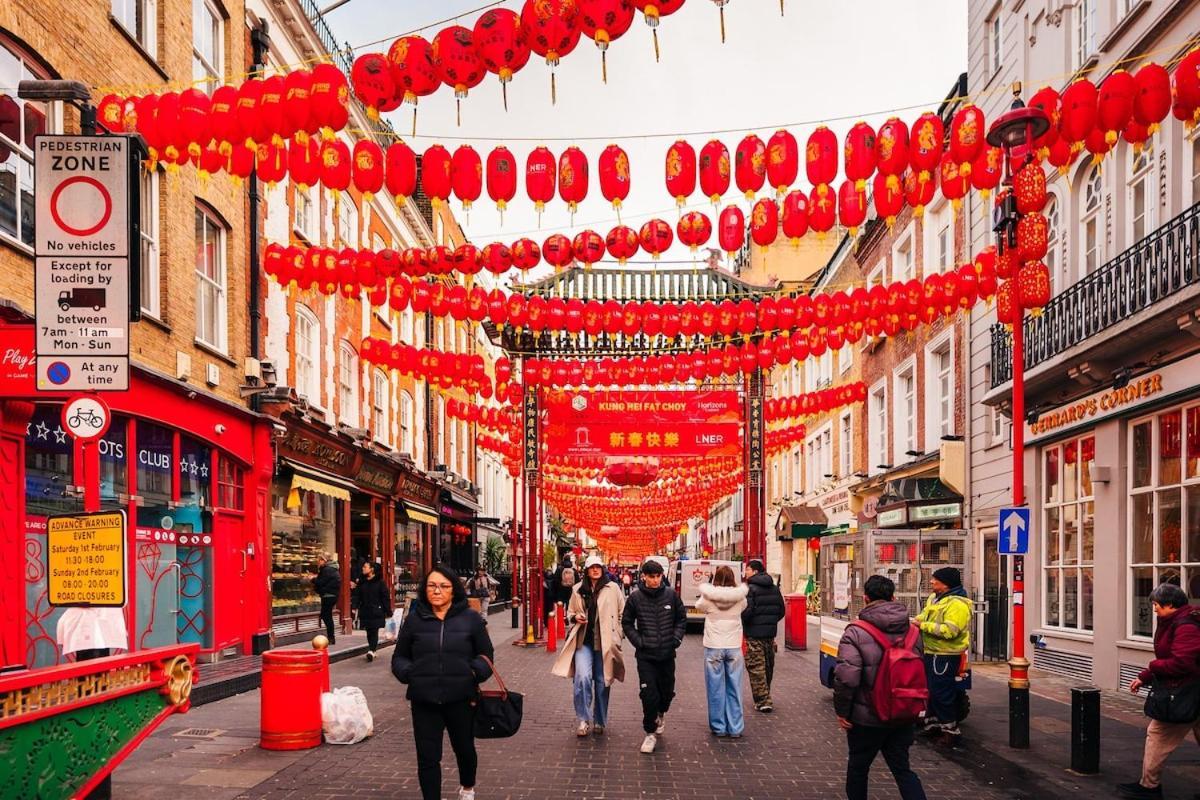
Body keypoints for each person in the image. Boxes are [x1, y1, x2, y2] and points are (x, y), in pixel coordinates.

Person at [392, 565, 494, 800]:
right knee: (428, 756)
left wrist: (472, 673)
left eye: (443, 586)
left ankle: (467, 788)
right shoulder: (415, 619)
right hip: (424, 699)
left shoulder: (470, 618)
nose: (437, 591)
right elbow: (400, 657)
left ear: (454, 590)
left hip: (461, 698)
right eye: (431, 585)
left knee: (465, 749)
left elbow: (486, 656)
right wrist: (409, 673)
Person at [834, 575, 928, 800]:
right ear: (893, 597)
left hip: (867, 716)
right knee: (902, 769)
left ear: (865, 598)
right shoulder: (913, 631)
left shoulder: (855, 631)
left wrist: (842, 712)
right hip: (903, 711)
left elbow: (847, 677)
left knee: (859, 768)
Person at [1117, 583, 1200, 799]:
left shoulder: (1185, 626)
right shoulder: (1173, 621)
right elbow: (1169, 658)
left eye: (1156, 605)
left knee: (1158, 734)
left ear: (1170, 605)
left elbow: (1182, 663)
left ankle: (1149, 787)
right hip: (1191, 691)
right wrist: (1144, 677)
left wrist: (1152, 669)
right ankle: (1149, 785)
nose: (1154, 609)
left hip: (1185, 694)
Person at [552, 554, 626, 737]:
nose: (595, 570)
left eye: (598, 567)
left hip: (605, 643)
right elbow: (569, 613)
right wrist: (574, 617)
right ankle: (583, 719)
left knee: (602, 682)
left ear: (602, 569)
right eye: (592, 567)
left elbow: (622, 613)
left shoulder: (613, 588)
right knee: (582, 678)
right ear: (586, 570)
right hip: (583, 642)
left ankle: (600, 720)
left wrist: (618, 634)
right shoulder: (578, 589)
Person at [622, 557, 686, 753]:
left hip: (667, 654)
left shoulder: (671, 596)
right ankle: (649, 733)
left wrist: (676, 639)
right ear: (644, 577)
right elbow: (626, 623)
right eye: (652, 577)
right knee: (649, 695)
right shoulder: (635, 598)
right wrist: (639, 642)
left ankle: (661, 712)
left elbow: (681, 619)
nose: (656, 580)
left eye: (658, 576)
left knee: (666, 692)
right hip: (646, 656)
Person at [915, 567, 972, 741]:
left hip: (946, 655)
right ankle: (933, 723)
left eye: (935, 579)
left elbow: (950, 631)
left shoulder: (957, 605)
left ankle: (950, 730)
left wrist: (922, 626)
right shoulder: (935, 599)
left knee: (942, 692)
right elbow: (924, 616)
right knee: (931, 690)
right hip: (931, 651)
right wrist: (914, 621)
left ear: (946, 584)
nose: (931, 582)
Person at [695, 565, 749, 738]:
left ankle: (718, 726)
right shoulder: (740, 598)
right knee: (735, 687)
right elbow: (744, 608)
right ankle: (735, 728)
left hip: (714, 646)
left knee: (715, 688)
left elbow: (699, 606)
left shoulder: (708, 598)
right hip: (734, 647)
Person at [742, 559, 785, 713]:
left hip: (754, 634)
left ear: (754, 571)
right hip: (769, 635)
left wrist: (746, 621)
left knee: (756, 667)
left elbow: (747, 612)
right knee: (768, 666)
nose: (745, 572)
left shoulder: (750, 589)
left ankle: (763, 701)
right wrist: (770, 622)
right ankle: (765, 694)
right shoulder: (774, 588)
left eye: (747, 569)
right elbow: (781, 610)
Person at [355, 561, 391, 662]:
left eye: (365, 567)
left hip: (376, 610)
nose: (363, 568)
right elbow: (357, 596)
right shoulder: (362, 582)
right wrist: (355, 606)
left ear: (372, 569)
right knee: (368, 631)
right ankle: (372, 650)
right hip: (365, 610)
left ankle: (372, 650)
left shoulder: (380, 583)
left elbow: (385, 598)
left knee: (374, 630)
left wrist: (388, 611)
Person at [313, 552, 341, 645]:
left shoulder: (327, 570)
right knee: (327, 615)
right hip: (332, 595)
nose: (318, 562)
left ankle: (331, 637)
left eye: (320, 560)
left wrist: (313, 579)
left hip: (328, 595)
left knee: (326, 616)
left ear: (324, 560)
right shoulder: (332, 568)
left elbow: (321, 582)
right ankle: (331, 637)